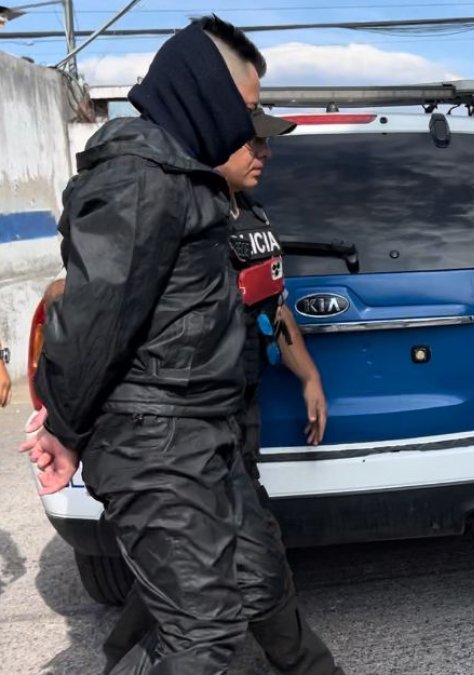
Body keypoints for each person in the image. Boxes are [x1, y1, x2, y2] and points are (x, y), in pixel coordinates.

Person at [19, 16, 343, 674]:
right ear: (204, 93)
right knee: (204, 634)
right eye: (245, 108)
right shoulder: (139, 180)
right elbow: (93, 320)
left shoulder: (188, 181)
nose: (251, 127)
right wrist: (63, 426)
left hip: (205, 433)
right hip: (155, 440)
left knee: (260, 582)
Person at [93, 107, 336, 675]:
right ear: (215, 138)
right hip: (177, 425)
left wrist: (309, 376)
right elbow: (88, 294)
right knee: (221, 566)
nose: (265, 153)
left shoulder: (251, 214)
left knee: (206, 562)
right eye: (253, 143)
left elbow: (274, 306)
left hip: (234, 413)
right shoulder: (175, 211)